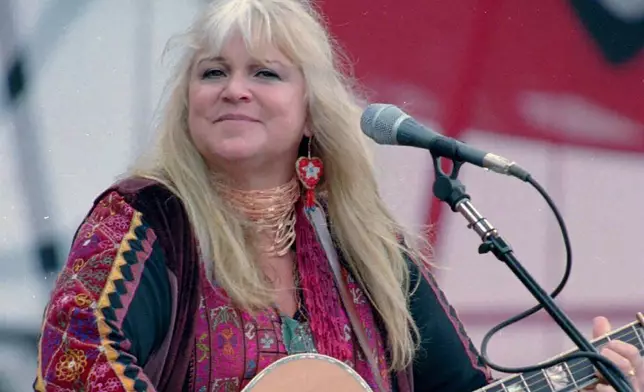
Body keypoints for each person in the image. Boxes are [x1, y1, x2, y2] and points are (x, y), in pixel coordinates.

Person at [33, 0, 644, 391]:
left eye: (265, 73)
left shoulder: (366, 248)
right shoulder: (145, 220)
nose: (233, 90)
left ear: (309, 112)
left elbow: (462, 387)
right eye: (213, 72)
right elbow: (77, 360)